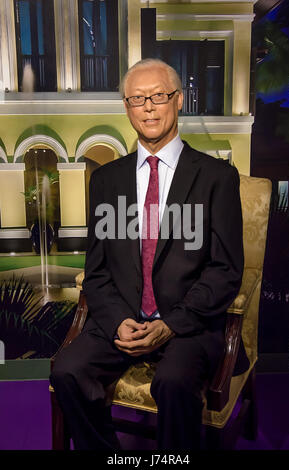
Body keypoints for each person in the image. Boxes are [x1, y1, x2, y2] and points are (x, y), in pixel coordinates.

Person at [50, 58, 249, 450]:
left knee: (173, 383)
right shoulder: (106, 180)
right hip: (124, 319)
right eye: (137, 98)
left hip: (187, 325)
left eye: (158, 96)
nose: (148, 107)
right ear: (126, 107)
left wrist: (171, 323)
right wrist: (117, 321)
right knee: (68, 371)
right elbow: (98, 270)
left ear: (178, 101)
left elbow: (225, 270)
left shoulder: (216, 177)